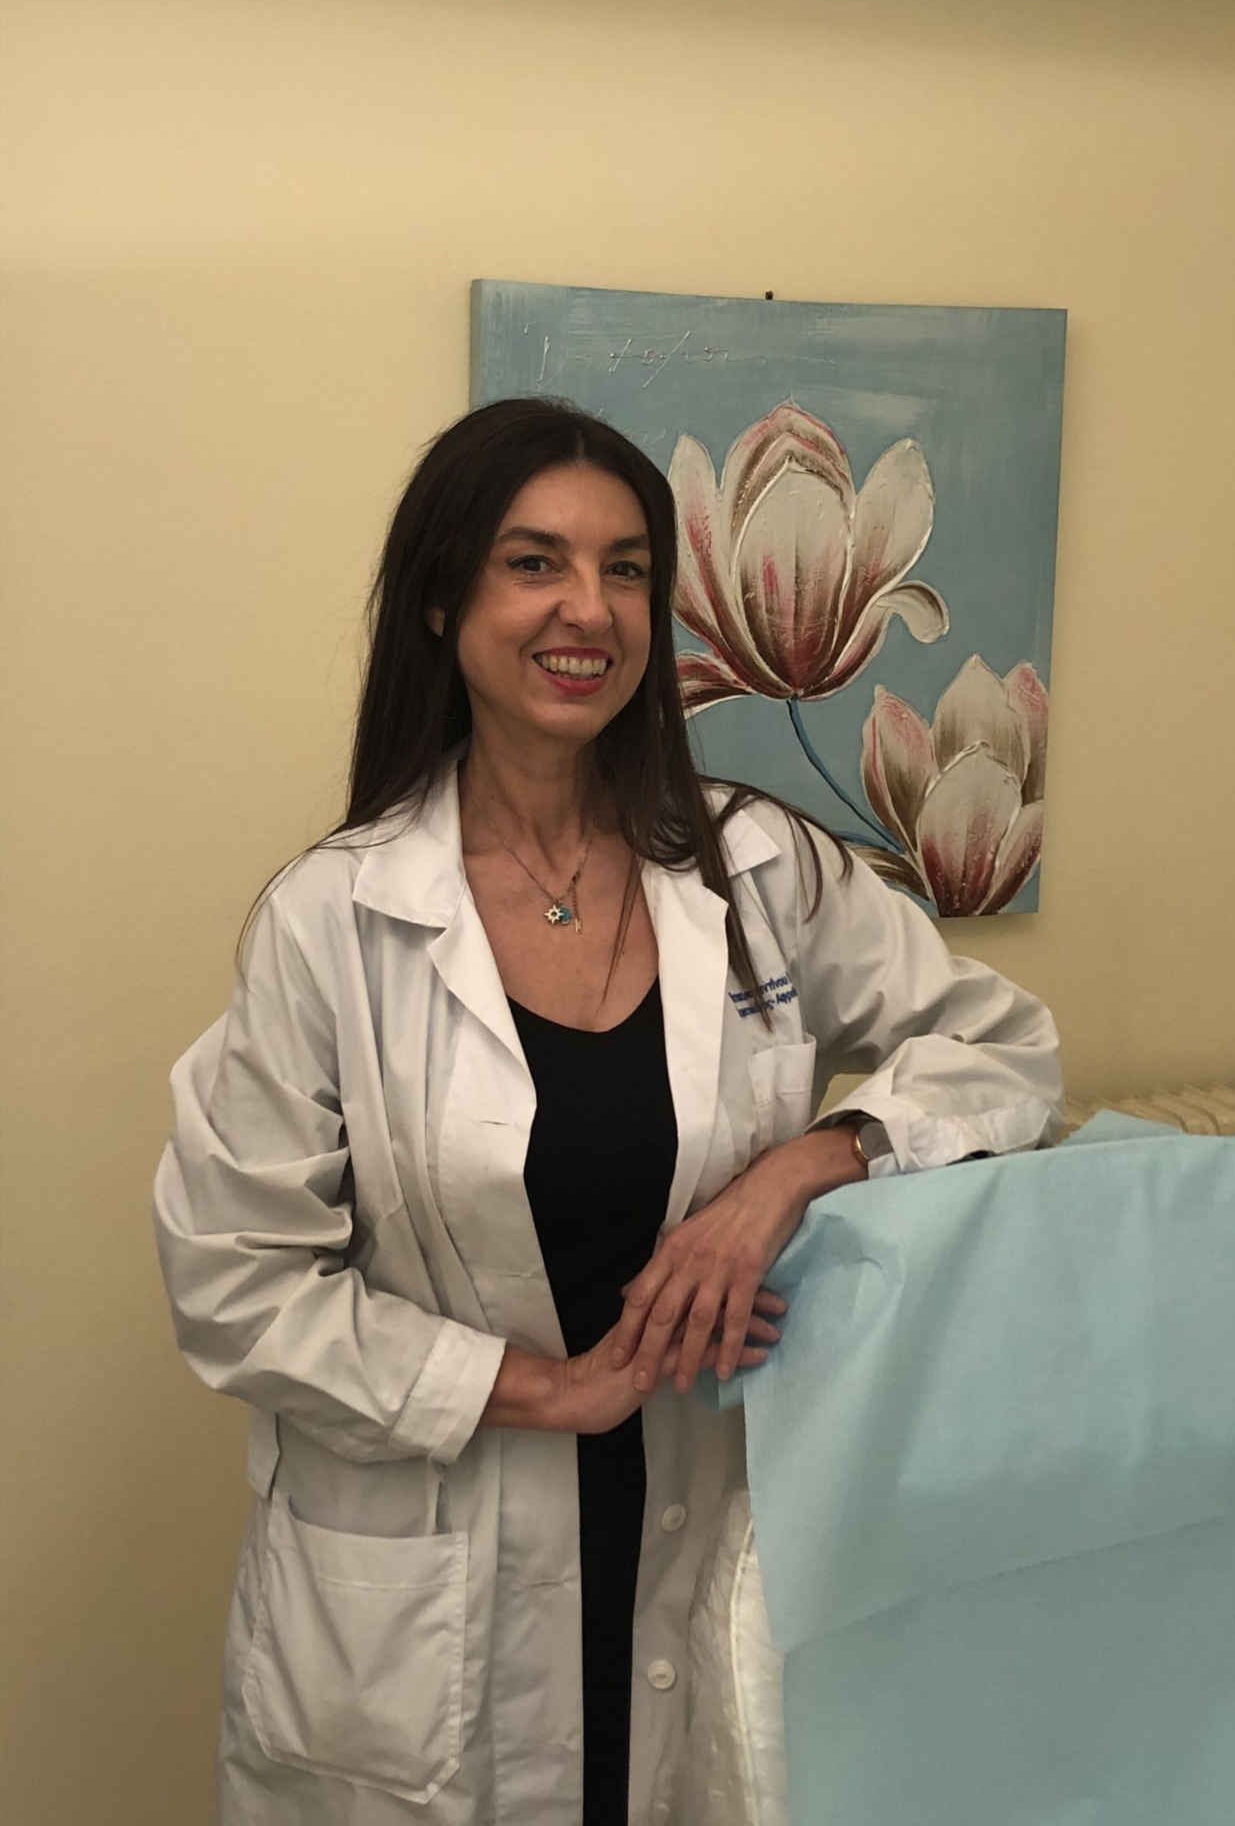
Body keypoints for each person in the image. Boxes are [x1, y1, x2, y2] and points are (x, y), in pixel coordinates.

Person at [153, 397, 1065, 1826]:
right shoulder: (335, 919)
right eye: (535, 563)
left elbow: (1003, 1053)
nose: (589, 608)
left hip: (700, 1522)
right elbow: (237, 1284)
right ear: (443, 600)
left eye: (626, 568)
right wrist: (545, 1390)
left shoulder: (756, 866)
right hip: (431, 1586)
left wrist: (798, 1172)